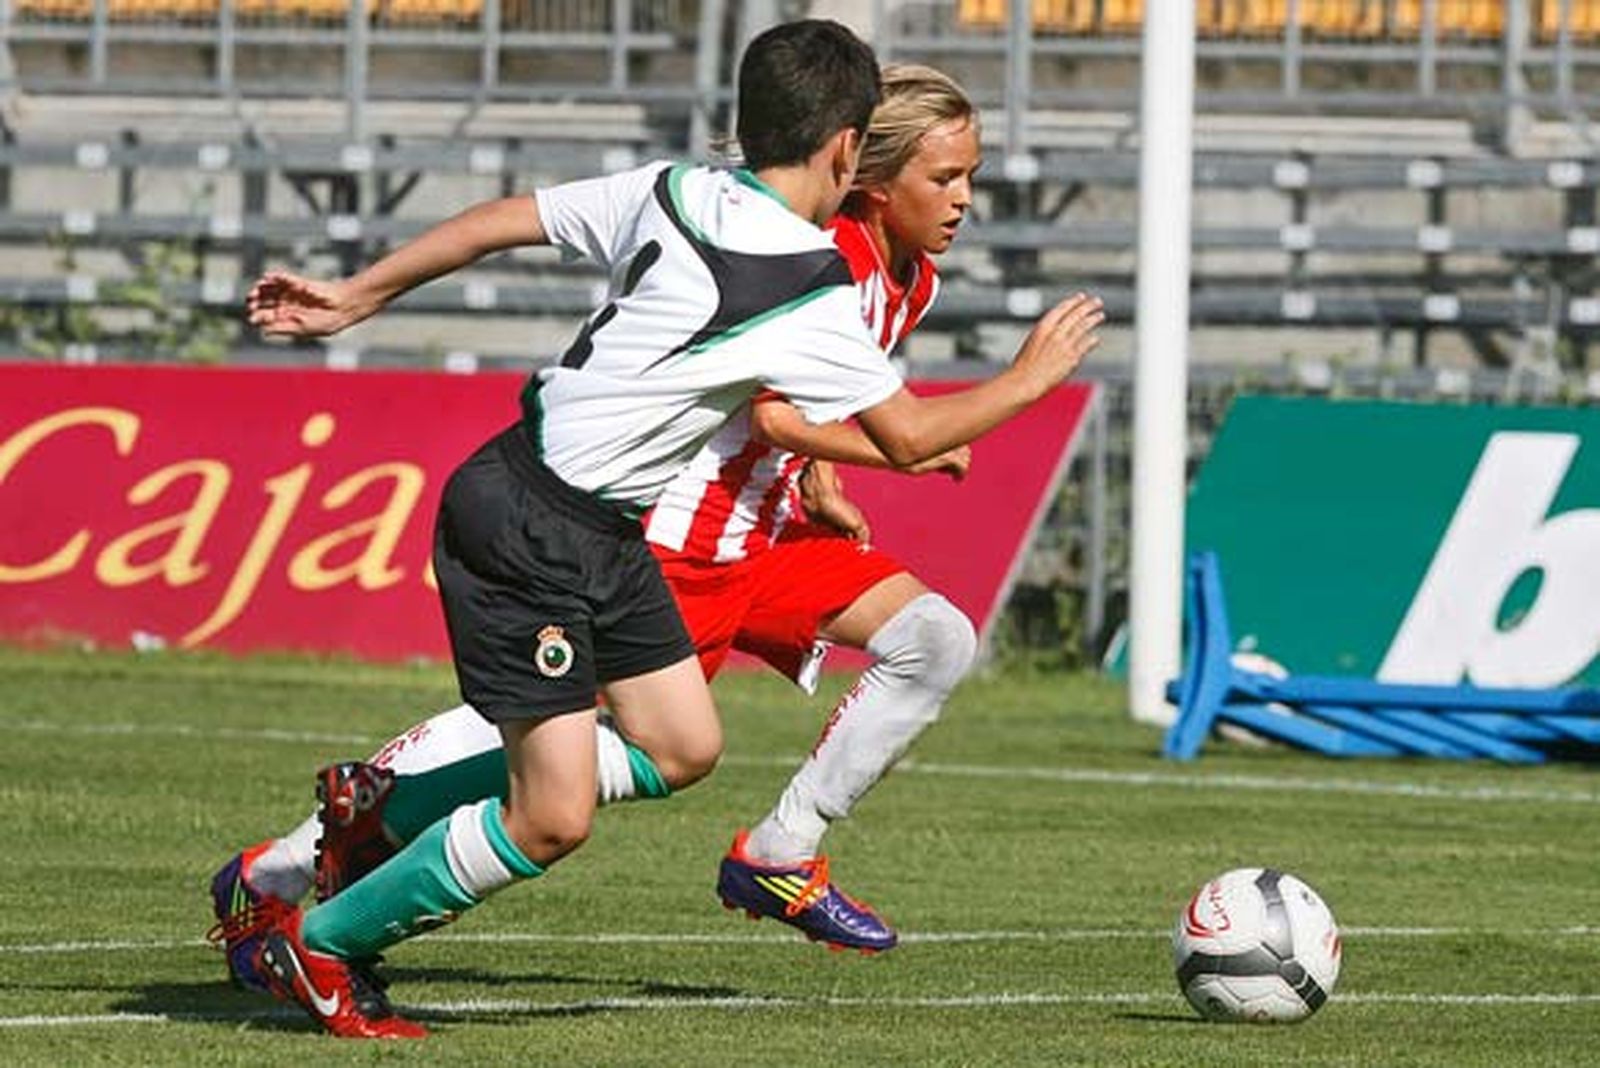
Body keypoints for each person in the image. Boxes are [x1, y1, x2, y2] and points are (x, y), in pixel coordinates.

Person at [230, 21, 1101, 1039]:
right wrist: (1030, 380)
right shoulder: (810, 278)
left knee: (682, 744)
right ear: (848, 152)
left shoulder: (677, 186)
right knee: (552, 807)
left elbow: (506, 217)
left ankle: (761, 851)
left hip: (605, 523)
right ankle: (326, 929)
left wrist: (354, 296)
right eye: (950, 175)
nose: (963, 198)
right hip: (550, 523)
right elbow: (905, 437)